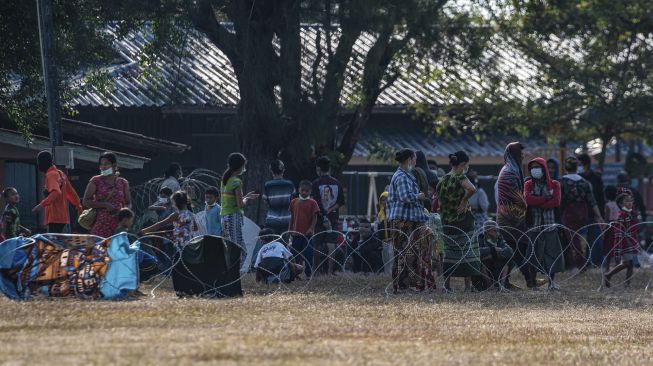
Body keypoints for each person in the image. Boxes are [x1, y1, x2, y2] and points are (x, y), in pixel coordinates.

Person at [387, 148, 435, 292]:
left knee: (412, 254)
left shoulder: (407, 175)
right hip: (403, 221)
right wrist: (419, 197)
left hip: (411, 220)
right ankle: (402, 286)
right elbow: (405, 197)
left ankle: (409, 285)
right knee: (403, 254)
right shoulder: (401, 176)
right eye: (414, 159)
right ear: (409, 160)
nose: (415, 162)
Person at [437, 150, 479, 292]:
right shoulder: (459, 177)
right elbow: (472, 189)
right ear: (462, 164)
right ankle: (468, 286)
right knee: (467, 252)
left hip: (447, 222)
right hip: (463, 221)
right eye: (467, 165)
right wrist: (464, 200)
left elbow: (439, 201)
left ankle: (446, 285)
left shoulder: (442, 180)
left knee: (449, 252)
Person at [495, 142, 533, 289]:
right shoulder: (510, 171)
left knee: (514, 249)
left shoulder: (511, 169)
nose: (523, 155)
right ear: (514, 154)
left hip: (510, 217)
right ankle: (529, 280)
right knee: (515, 249)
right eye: (520, 152)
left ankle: (507, 280)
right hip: (510, 218)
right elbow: (517, 197)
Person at [524, 157, 564, 290]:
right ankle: (533, 283)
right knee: (533, 255)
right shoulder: (529, 184)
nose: (535, 170)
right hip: (535, 226)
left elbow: (556, 201)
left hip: (550, 225)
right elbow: (528, 199)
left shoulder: (554, 184)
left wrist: (538, 201)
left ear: (543, 168)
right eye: (532, 168)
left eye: (537, 167)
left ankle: (551, 283)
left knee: (551, 254)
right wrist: (545, 199)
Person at [560, 156, 604, 272]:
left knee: (570, 238)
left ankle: (575, 264)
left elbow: (559, 201)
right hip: (582, 212)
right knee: (581, 238)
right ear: (576, 167)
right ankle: (582, 263)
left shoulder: (561, 181)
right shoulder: (584, 182)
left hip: (568, 212)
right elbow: (592, 201)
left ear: (565, 167)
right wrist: (599, 216)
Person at [82, 152, 131, 238]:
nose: (103, 167)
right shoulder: (96, 180)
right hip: (100, 226)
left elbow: (128, 202)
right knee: (99, 250)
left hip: (118, 227)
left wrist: (125, 211)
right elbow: (85, 201)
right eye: (101, 164)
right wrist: (105, 205)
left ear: (114, 165)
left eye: (106, 164)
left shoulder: (123, 182)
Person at [32, 150, 83, 233]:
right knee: (58, 241)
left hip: (54, 216)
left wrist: (41, 205)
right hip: (62, 217)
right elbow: (71, 193)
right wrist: (78, 206)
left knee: (53, 243)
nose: (38, 165)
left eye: (39, 162)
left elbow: (56, 192)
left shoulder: (51, 175)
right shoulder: (60, 173)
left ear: (43, 162)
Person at [311, 156, 345, 275]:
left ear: (319, 169)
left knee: (317, 244)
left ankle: (316, 271)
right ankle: (330, 272)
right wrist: (330, 210)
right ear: (329, 168)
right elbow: (340, 202)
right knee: (331, 244)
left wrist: (323, 213)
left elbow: (316, 202)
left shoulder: (316, 183)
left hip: (320, 219)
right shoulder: (337, 183)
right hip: (333, 217)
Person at [220, 153, 259, 249]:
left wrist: (247, 196)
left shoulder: (224, 181)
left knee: (231, 248)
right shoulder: (236, 182)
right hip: (233, 218)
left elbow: (232, 200)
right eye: (243, 165)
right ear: (239, 166)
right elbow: (240, 204)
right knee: (238, 250)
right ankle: (236, 265)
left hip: (224, 218)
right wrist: (246, 199)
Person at [604, 188, 640, 288]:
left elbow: (634, 229)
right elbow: (618, 233)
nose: (629, 203)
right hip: (625, 243)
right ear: (621, 204)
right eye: (626, 201)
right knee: (627, 263)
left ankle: (627, 284)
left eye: (631, 200)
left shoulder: (631, 214)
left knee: (630, 263)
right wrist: (618, 249)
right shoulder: (622, 215)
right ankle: (608, 274)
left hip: (631, 242)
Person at [577, 153, 606, 267]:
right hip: (578, 213)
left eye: (580, 164)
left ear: (587, 164)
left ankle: (594, 262)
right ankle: (582, 263)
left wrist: (600, 215)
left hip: (592, 213)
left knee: (594, 240)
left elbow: (600, 198)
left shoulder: (596, 178)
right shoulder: (576, 178)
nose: (579, 166)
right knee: (580, 241)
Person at [288, 180, 320, 277]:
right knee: (294, 255)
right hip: (296, 234)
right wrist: (290, 229)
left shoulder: (313, 203)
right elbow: (292, 217)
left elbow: (315, 218)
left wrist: (311, 228)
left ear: (310, 191)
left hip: (307, 235)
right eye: (302, 190)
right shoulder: (294, 202)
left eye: (307, 191)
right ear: (299, 190)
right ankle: (294, 274)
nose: (304, 193)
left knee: (309, 254)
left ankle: (308, 274)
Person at [475, 220, 513, 291]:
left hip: (497, 265)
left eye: (497, 230)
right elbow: (477, 252)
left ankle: (502, 285)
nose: (497, 233)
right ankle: (489, 286)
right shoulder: (480, 239)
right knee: (479, 264)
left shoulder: (499, 239)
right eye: (494, 231)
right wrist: (492, 249)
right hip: (485, 267)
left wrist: (492, 255)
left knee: (508, 262)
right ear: (487, 231)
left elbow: (509, 251)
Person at [263, 160, 295, 235]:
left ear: (271, 171)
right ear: (283, 170)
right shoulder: (290, 184)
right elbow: (293, 203)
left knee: (272, 244)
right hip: (287, 221)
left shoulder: (268, 185)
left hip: (272, 220)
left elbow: (265, 203)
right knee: (284, 245)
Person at [602, 185, 620, 271]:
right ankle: (617, 265)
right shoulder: (619, 204)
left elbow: (606, 219)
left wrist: (603, 229)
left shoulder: (607, 205)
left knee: (608, 247)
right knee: (616, 246)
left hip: (610, 227)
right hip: (618, 226)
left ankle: (607, 267)